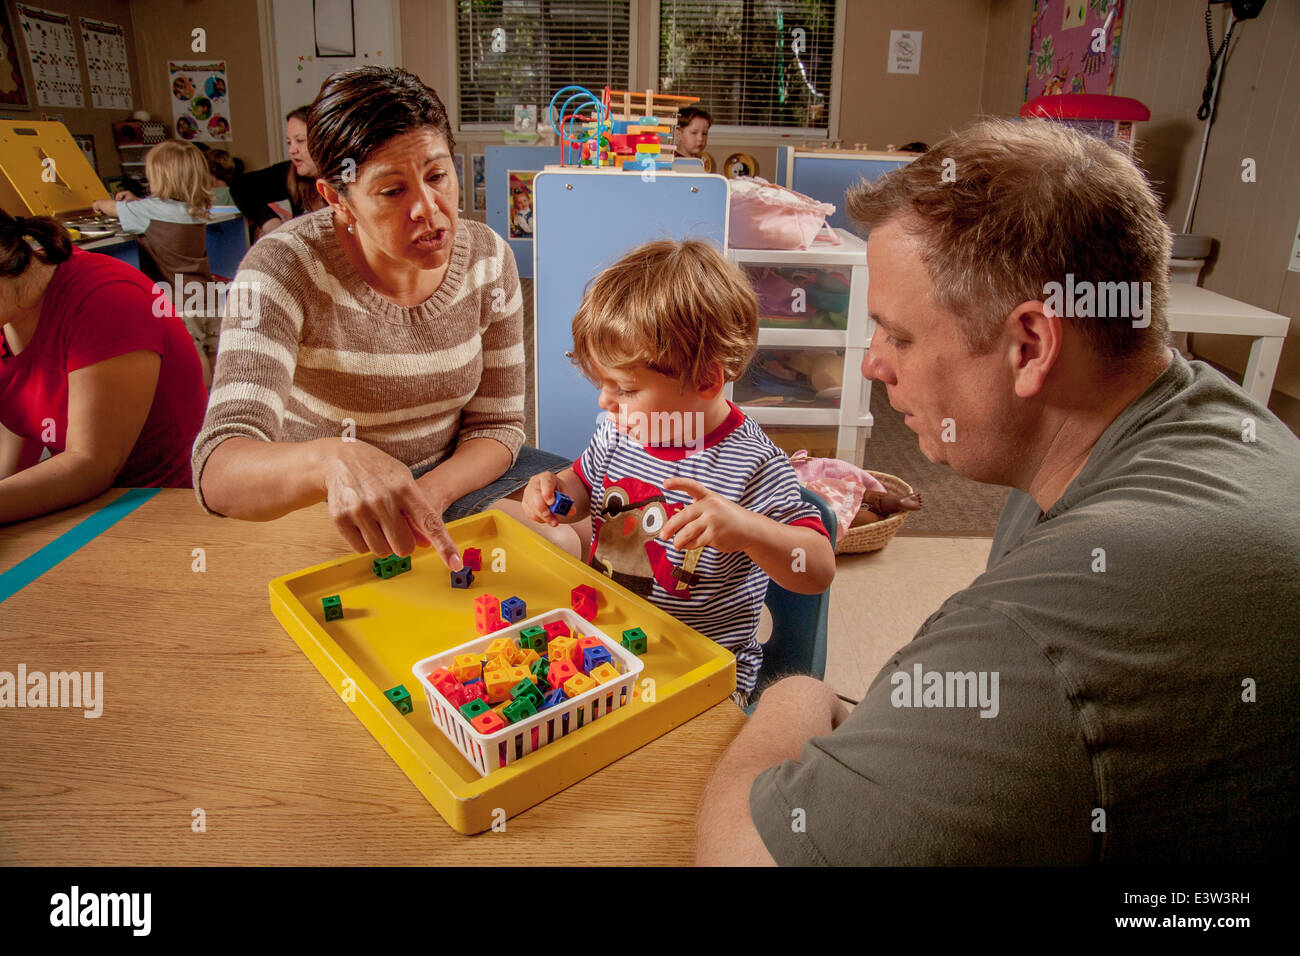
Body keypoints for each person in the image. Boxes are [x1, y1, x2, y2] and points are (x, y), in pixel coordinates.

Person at [696, 119, 1300, 865]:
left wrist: (794, 692)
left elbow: (743, 855)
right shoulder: (1190, 415)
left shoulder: (1054, 620)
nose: (872, 364)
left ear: (1032, 346)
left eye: (900, 336)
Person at [192, 66, 567, 569]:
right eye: (393, 191)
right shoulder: (280, 269)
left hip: (454, 477)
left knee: (606, 525)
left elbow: (497, 426)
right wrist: (332, 460)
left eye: (437, 176)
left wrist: (428, 496)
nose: (429, 209)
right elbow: (218, 469)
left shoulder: (487, 258)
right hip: (335, 512)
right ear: (335, 198)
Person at [507, 239, 836, 703]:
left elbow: (817, 569)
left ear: (706, 380)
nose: (604, 401)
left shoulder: (755, 464)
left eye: (623, 388)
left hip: (701, 671)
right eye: (601, 384)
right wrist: (552, 491)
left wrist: (747, 531)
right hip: (605, 644)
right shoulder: (618, 432)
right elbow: (583, 489)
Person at [0, 212, 207, 523]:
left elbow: (92, 464)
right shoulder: (10, 308)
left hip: (169, 506)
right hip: (89, 507)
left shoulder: (106, 298)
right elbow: (22, 422)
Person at [93, 140, 217, 387]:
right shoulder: (196, 208)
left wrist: (99, 204)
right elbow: (159, 210)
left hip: (177, 297)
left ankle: (202, 403)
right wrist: (136, 202)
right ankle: (221, 399)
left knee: (194, 353)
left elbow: (110, 208)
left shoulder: (147, 211)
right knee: (212, 347)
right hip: (205, 290)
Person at [230, 106, 326, 240]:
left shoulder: (347, 173)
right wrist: (270, 223)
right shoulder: (291, 172)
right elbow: (240, 186)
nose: (292, 150)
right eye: (289, 142)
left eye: (300, 140)